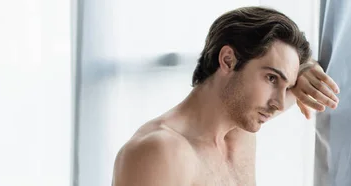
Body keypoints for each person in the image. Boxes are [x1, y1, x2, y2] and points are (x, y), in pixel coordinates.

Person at [112, 6, 339, 186]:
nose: (279, 102)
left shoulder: (240, 129)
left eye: (286, 85)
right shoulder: (161, 153)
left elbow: (303, 82)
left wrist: (306, 68)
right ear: (228, 60)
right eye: (271, 78)